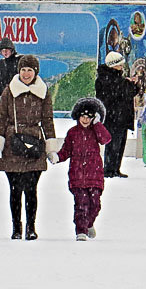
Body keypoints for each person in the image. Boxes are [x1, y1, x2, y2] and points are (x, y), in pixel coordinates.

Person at [0, 55, 57, 241]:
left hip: (35, 144)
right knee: (14, 189)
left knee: (31, 189)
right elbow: (2, 118)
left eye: (29, 70)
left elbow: (47, 120)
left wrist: (51, 147)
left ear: (35, 71)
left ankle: (31, 227)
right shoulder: (9, 92)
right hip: (13, 144)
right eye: (23, 70)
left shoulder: (43, 92)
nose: (26, 73)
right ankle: (16, 227)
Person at [50, 97, 111, 241]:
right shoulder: (72, 132)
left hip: (95, 174)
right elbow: (66, 151)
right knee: (81, 205)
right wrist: (57, 157)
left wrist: (97, 125)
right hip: (77, 176)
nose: (85, 119)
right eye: (82, 116)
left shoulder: (96, 131)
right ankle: (81, 230)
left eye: (89, 117)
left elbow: (106, 139)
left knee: (95, 204)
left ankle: (89, 223)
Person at [95, 51, 140, 178]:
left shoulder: (116, 79)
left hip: (120, 117)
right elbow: (123, 92)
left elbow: (128, 92)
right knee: (113, 145)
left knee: (119, 144)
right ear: (112, 65)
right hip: (113, 117)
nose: (121, 67)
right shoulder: (107, 79)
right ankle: (109, 169)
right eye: (119, 65)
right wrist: (130, 84)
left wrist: (132, 84)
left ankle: (115, 168)